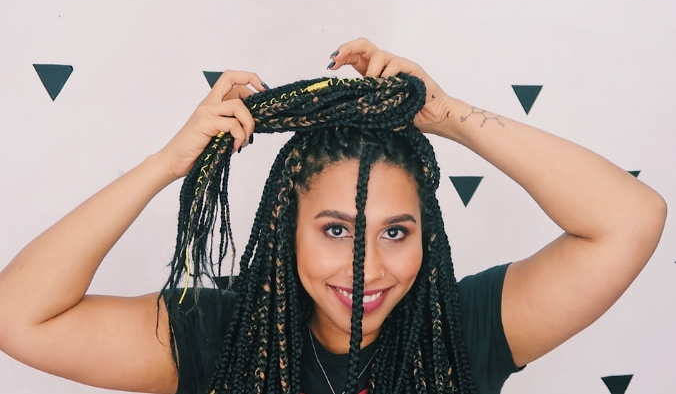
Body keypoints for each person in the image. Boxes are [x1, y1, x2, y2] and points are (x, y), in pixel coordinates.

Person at [0, 38, 666, 394]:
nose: (366, 266)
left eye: (395, 231)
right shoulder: (218, 336)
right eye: (337, 229)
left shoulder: (460, 330)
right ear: (287, 223)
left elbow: (632, 219)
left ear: (427, 235)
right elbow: (20, 317)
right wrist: (169, 164)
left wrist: (447, 116)